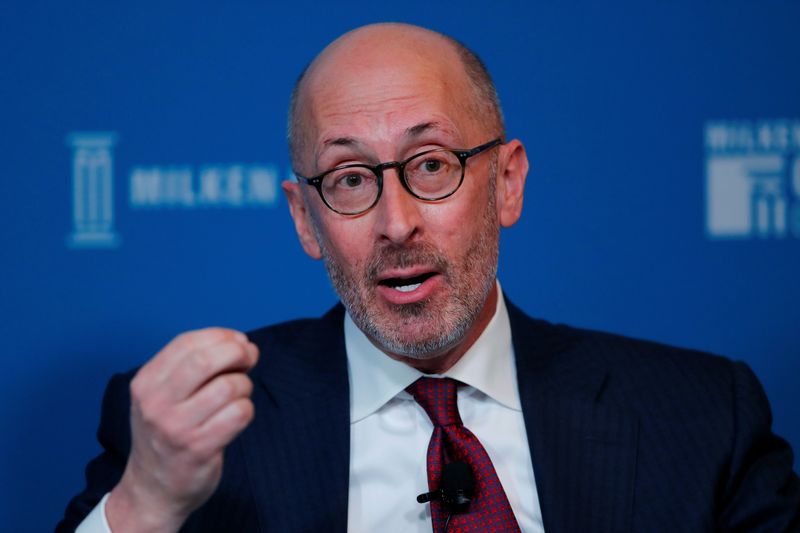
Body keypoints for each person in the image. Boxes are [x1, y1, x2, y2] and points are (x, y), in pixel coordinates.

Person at [59, 23, 799, 532]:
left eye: (432, 165)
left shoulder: (703, 420)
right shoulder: (190, 434)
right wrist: (143, 506)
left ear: (507, 182)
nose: (397, 221)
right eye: (350, 179)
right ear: (305, 220)